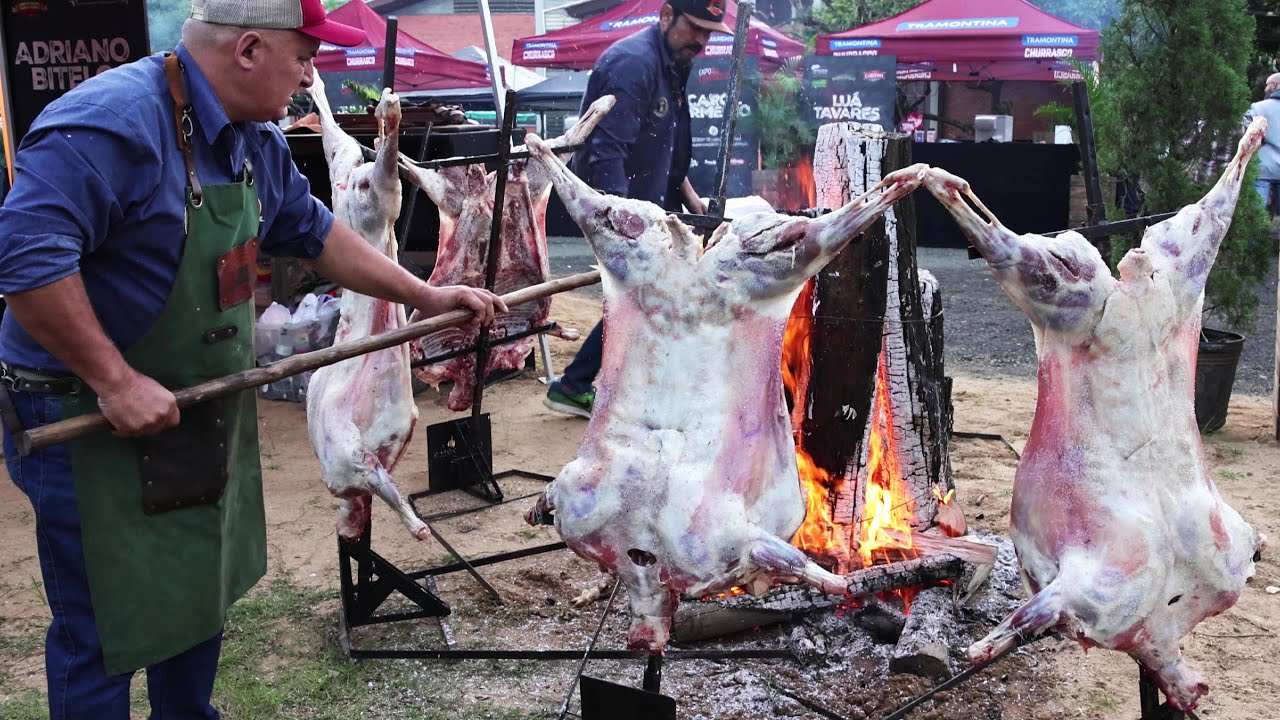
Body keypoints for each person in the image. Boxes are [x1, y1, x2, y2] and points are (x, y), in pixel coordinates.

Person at [0, 1, 505, 718]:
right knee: (105, 623)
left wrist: (423, 293)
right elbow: (27, 264)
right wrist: (113, 380)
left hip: (197, 405)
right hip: (83, 416)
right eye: (303, 54)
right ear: (246, 50)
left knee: (197, 588)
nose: (312, 71)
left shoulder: (251, 140)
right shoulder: (109, 124)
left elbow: (314, 231)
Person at [543, 0, 726, 418]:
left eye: (708, 33)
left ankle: (592, 384)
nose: (701, 40)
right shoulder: (632, 64)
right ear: (666, 16)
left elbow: (660, 142)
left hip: (650, 204)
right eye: (694, 28)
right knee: (638, 295)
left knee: (646, 295)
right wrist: (628, 228)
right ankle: (574, 385)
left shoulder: (675, 61)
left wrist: (689, 197)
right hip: (620, 209)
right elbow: (606, 153)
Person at [1245, 71, 1280, 213]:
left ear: (1275, 85)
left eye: (1267, 85)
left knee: (1256, 215)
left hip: (1262, 168)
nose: (1265, 89)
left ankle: (1255, 235)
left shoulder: (1258, 108)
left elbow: (1244, 132)